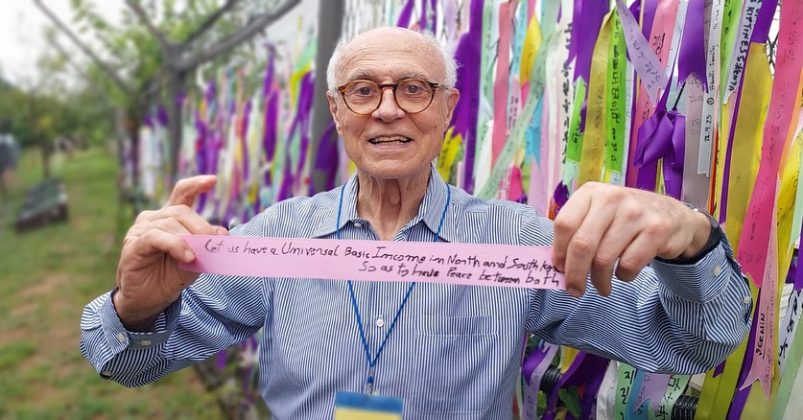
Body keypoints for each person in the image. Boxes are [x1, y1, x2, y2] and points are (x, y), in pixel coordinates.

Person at [81, 27, 751, 418]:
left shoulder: (518, 242)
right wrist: (133, 311)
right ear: (338, 112)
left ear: (448, 110)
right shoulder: (271, 237)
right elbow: (130, 366)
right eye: (364, 91)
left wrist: (690, 242)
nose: (388, 111)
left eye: (414, 89)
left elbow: (690, 346)